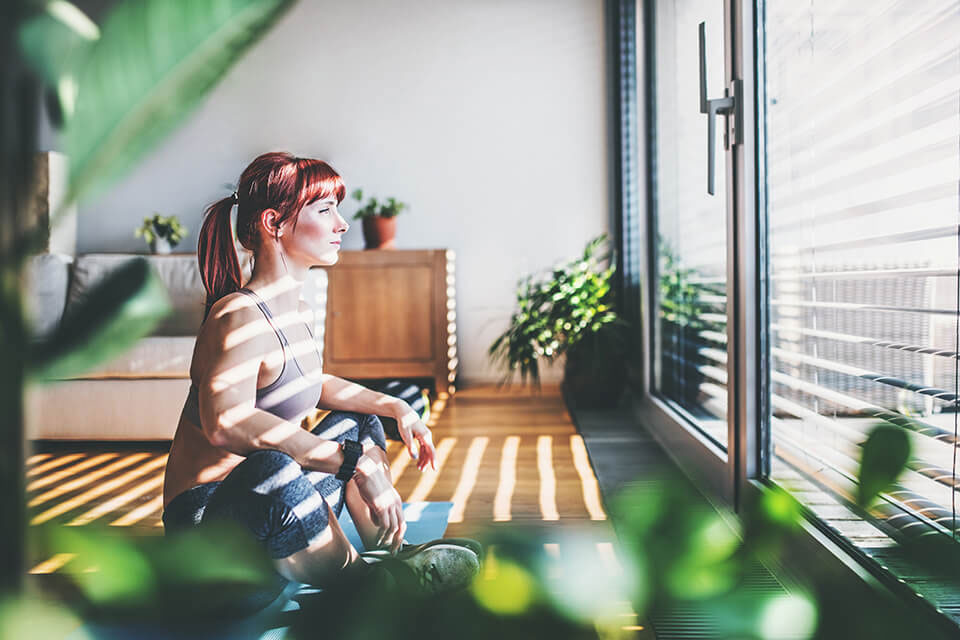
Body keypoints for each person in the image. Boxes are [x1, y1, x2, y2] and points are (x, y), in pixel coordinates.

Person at [161, 151, 480, 600]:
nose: (342, 224)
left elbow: (309, 381)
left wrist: (394, 406)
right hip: (214, 542)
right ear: (275, 223)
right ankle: (375, 588)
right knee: (274, 468)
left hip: (272, 522)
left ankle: (393, 554)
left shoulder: (298, 309)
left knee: (360, 425)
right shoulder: (236, 315)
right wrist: (350, 461)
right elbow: (225, 422)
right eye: (326, 210)